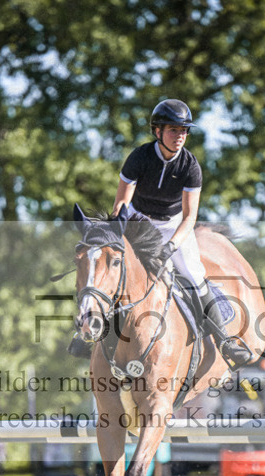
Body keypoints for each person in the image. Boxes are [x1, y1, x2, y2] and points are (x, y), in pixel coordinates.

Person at [71, 98, 252, 367]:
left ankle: (225, 339)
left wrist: (172, 245)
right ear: (158, 131)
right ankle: (86, 334)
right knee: (108, 268)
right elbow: (121, 203)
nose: (180, 136)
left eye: (184, 131)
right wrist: (117, 230)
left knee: (193, 273)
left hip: (173, 224)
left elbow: (190, 216)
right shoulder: (139, 157)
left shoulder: (190, 166)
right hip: (136, 220)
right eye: (173, 130)